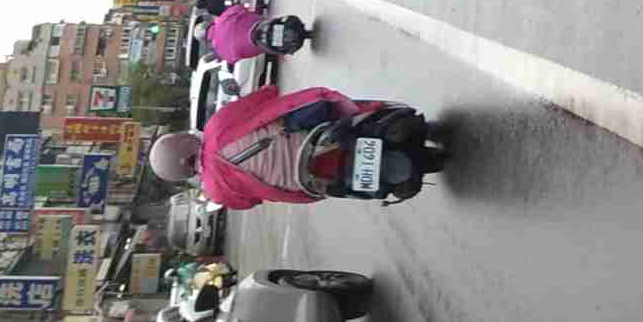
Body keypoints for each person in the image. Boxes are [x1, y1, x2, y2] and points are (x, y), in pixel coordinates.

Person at [148, 83, 437, 209]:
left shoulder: (215, 191)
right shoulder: (216, 127)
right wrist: (267, 92)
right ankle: (384, 117)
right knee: (328, 107)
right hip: (316, 137)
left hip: (309, 182)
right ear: (182, 142)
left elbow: (250, 202)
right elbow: (263, 99)